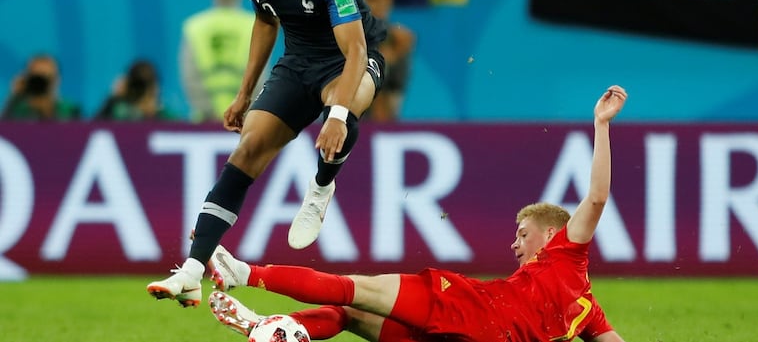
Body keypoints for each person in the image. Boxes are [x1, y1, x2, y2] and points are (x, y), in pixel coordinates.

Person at [206, 85, 629, 342]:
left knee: (351, 289)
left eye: (523, 234)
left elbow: (595, 198)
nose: (514, 243)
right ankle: (272, 327)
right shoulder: (588, 311)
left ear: (555, 234)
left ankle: (245, 274)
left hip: (465, 308)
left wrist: (601, 125)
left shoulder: (567, 254)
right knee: (352, 316)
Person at [146, 0, 387, 307]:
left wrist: (340, 115)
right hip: (297, 64)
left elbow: (356, 51)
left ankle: (320, 188)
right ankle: (191, 271)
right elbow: (265, 21)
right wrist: (244, 94)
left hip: (352, 60)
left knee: (340, 115)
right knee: (249, 148)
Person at [180, 0, 257, 123]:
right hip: (243, 119)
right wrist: (244, 110)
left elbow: (190, 76)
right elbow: (260, 75)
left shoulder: (195, 26)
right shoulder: (253, 25)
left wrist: (209, 111)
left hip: (204, 120)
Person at [362, 0, 416, 122]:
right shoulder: (353, 27)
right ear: (366, 1)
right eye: (378, 4)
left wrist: (397, 51)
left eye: (386, 6)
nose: (382, 10)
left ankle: (385, 123)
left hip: (386, 89)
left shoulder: (392, 33)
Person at [1, 53, 81, 120]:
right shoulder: (18, 111)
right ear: (28, 79)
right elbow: (3, 134)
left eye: (47, 77)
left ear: (57, 80)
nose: (41, 83)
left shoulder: (70, 111)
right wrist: (14, 96)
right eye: (37, 78)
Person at [95, 59, 176, 121]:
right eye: (140, 88)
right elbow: (94, 127)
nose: (145, 96)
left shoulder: (166, 116)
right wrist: (113, 98)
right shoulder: (119, 113)